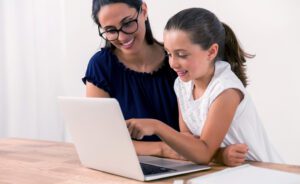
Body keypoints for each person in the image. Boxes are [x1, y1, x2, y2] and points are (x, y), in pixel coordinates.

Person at [83, 0, 248, 166]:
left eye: (127, 23)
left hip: (189, 166)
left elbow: (199, 145)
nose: (122, 37)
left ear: (144, 11)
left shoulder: (184, 69)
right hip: (141, 165)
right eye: (110, 30)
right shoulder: (102, 66)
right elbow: (100, 140)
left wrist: (212, 154)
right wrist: (163, 149)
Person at [126, 7, 283, 164]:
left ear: (211, 52)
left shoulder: (225, 90)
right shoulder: (182, 84)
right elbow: (187, 139)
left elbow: (203, 153)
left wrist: (156, 126)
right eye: (169, 53)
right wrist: (220, 154)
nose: (173, 63)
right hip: (226, 170)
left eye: (182, 54)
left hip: (263, 171)